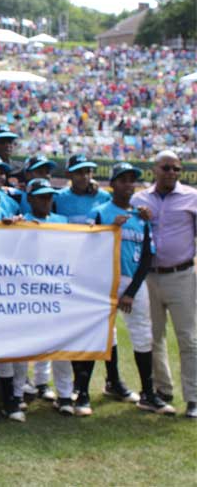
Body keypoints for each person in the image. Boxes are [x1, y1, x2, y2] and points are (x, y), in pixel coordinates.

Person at [88, 162, 175, 415]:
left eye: (132, 180)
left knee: (142, 334)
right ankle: (112, 382)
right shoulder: (101, 212)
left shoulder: (141, 216)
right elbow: (89, 248)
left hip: (134, 282)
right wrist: (110, 228)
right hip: (104, 281)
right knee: (106, 333)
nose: (128, 185)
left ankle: (148, 394)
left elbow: (147, 256)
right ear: (112, 184)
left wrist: (131, 291)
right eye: (123, 180)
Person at [54, 153, 135, 404]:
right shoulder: (59, 199)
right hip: (67, 271)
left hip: (97, 272)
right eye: (79, 172)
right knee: (74, 328)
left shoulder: (103, 198)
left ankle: (113, 380)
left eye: (89, 171)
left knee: (105, 328)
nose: (85, 176)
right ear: (69, 175)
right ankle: (78, 385)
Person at [131, 150, 197, 419]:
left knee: (189, 339)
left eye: (176, 169)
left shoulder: (192, 197)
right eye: (166, 168)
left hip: (181, 274)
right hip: (148, 276)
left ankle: (193, 398)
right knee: (153, 337)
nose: (171, 173)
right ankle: (162, 390)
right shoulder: (139, 199)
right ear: (154, 169)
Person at [22, 178, 78, 416]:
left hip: (56, 291)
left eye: (49, 196)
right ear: (30, 199)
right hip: (26, 292)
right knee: (22, 343)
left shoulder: (61, 221)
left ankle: (64, 395)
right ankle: (18, 392)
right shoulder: (18, 223)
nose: (47, 200)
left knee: (60, 345)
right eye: (41, 196)